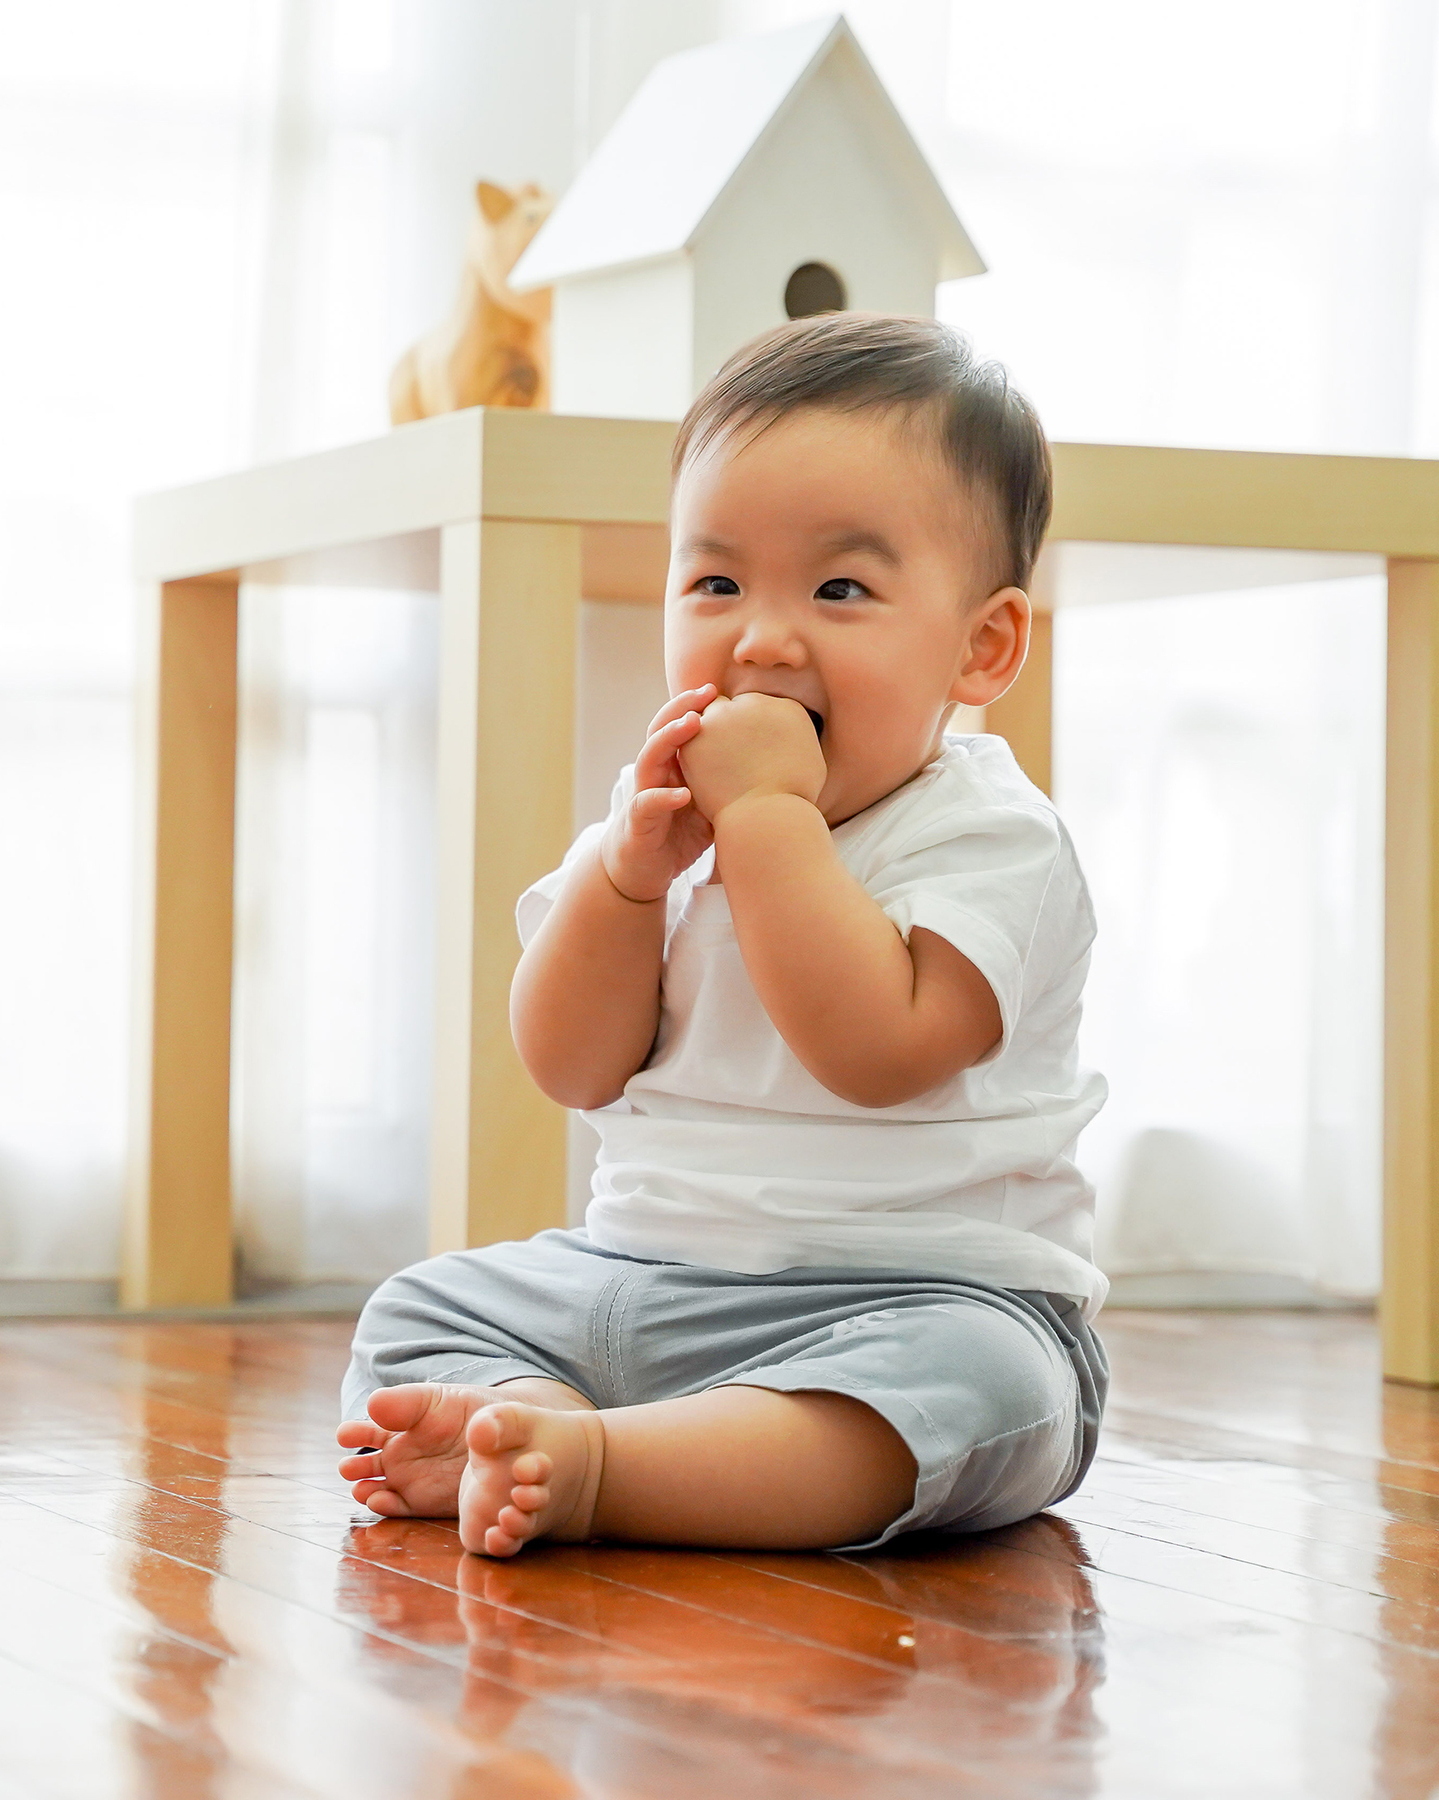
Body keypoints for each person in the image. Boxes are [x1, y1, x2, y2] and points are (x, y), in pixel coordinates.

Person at [335, 312, 1110, 1556]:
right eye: (714, 583)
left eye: (839, 589)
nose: (759, 637)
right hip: (638, 1281)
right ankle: (523, 1420)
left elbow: (874, 1050)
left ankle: (602, 1467)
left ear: (982, 645)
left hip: (911, 1301)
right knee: (424, 1303)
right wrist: (625, 882)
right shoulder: (662, 826)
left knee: (994, 1387)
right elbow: (570, 1063)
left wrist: (761, 820)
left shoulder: (991, 841)